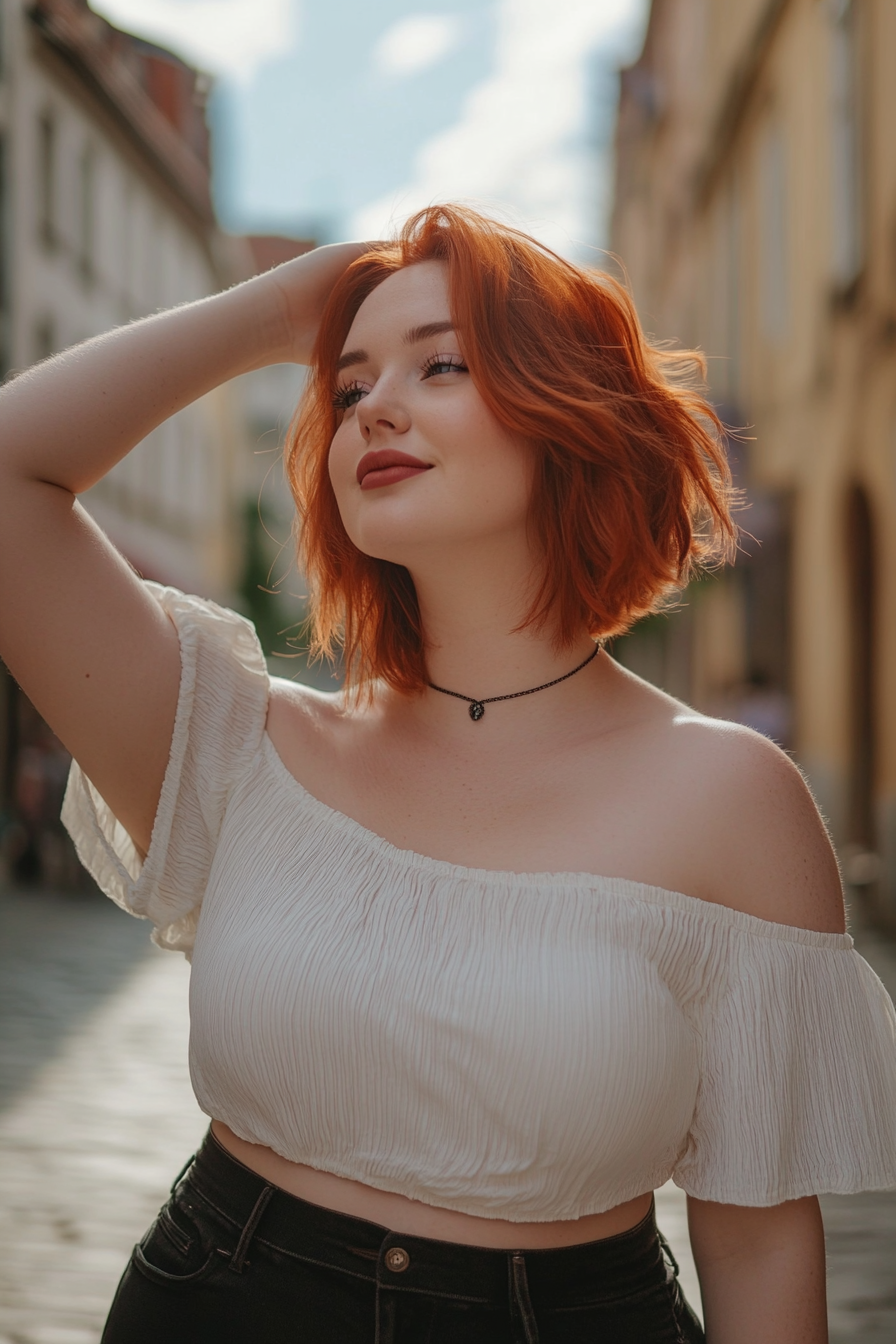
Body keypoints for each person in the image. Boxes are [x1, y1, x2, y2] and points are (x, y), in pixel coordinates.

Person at [0, 205, 894, 1344]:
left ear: (564, 415)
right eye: (351, 380)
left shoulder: (727, 799)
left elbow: (760, 1242)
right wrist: (280, 312)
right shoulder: (238, 745)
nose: (374, 403)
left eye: (442, 364)